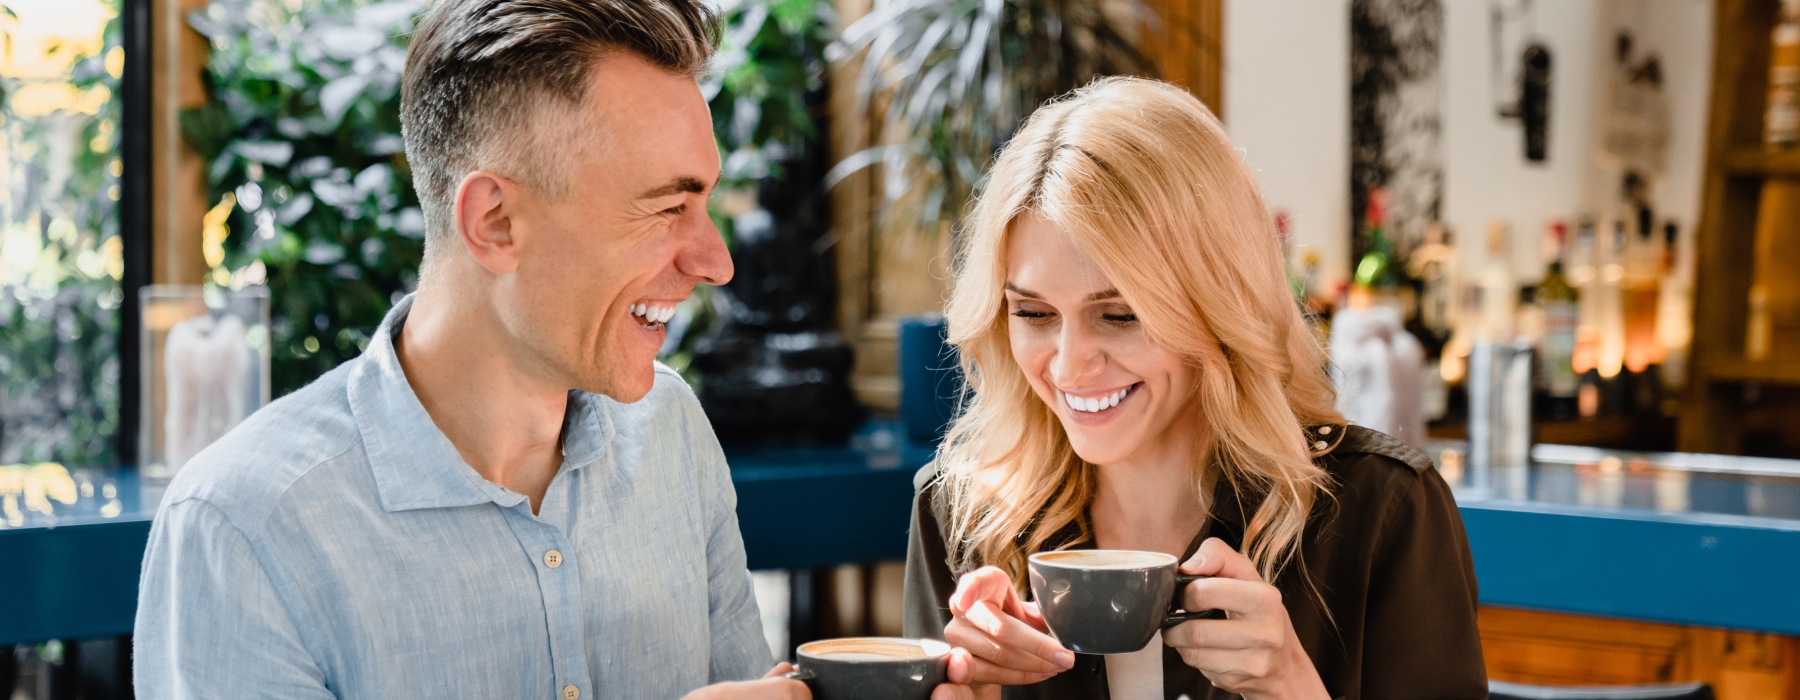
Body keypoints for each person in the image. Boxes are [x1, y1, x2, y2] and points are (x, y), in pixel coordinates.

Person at [134, 1, 814, 697]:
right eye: (669, 207)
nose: (716, 262)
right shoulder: (244, 527)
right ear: (494, 221)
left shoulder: (671, 430)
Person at [903, 77, 1487, 699]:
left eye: (1120, 315)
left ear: (1218, 303)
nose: (1069, 367)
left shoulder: (1383, 511)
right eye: (1034, 313)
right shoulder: (961, 516)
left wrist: (1291, 683)